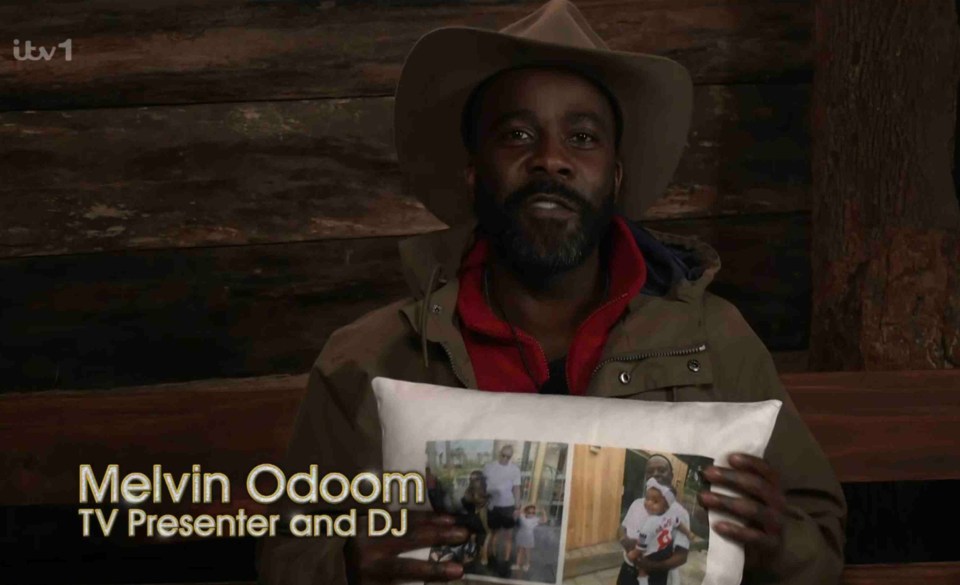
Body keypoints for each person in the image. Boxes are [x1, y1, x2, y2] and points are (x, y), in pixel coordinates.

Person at [256, 0, 846, 583]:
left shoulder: (717, 341)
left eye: (583, 137)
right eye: (517, 134)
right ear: (474, 171)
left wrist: (776, 543)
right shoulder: (364, 361)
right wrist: (346, 565)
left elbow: (820, 544)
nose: (550, 159)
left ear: (615, 175)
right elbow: (284, 556)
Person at [460, 470, 489, 565]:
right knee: (481, 537)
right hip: (476, 519)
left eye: (476, 479)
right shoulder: (479, 491)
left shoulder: (469, 491)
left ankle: (473, 555)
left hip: (473, 519)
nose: (473, 481)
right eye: (471, 479)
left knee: (474, 537)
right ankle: (480, 557)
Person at [514, 504, 547, 572]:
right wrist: (523, 508)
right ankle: (517, 564)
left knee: (527, 551)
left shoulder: (535, 519)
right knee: (519, 551)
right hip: (521, 535)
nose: (531, 514)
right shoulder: (522, 516)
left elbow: (544, 520)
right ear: (526, 512)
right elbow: (516, 513)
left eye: (533, 512)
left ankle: (527, 564)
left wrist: (543, 512)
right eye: (529, 512)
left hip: (529, 537)